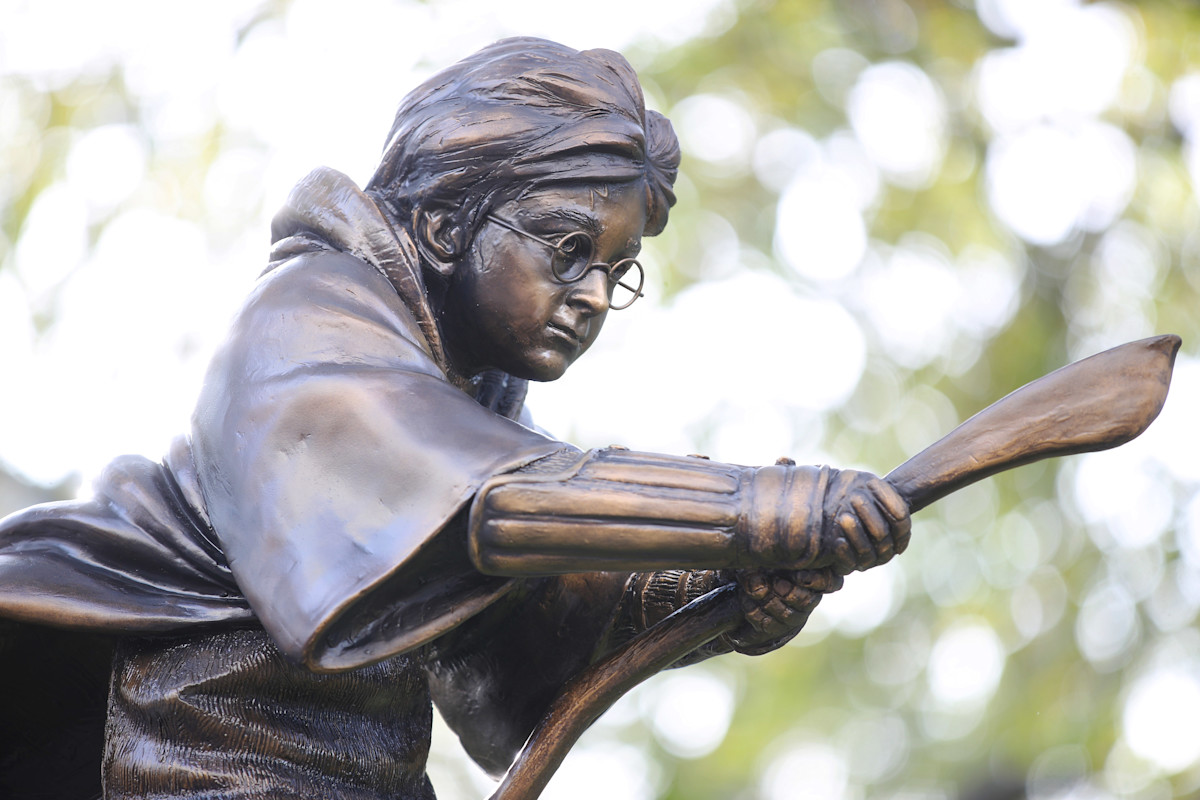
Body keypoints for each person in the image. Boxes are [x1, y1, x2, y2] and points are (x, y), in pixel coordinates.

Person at [0, 38, 910, 799]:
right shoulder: (305, 320)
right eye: (566, 248)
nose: (592, 293)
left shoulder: (467, 403)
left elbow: (522, 627)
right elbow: (491, 504)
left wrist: (719, 593)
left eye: (616, 268)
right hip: (196, 760)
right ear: (443, 225)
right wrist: (750, 509)